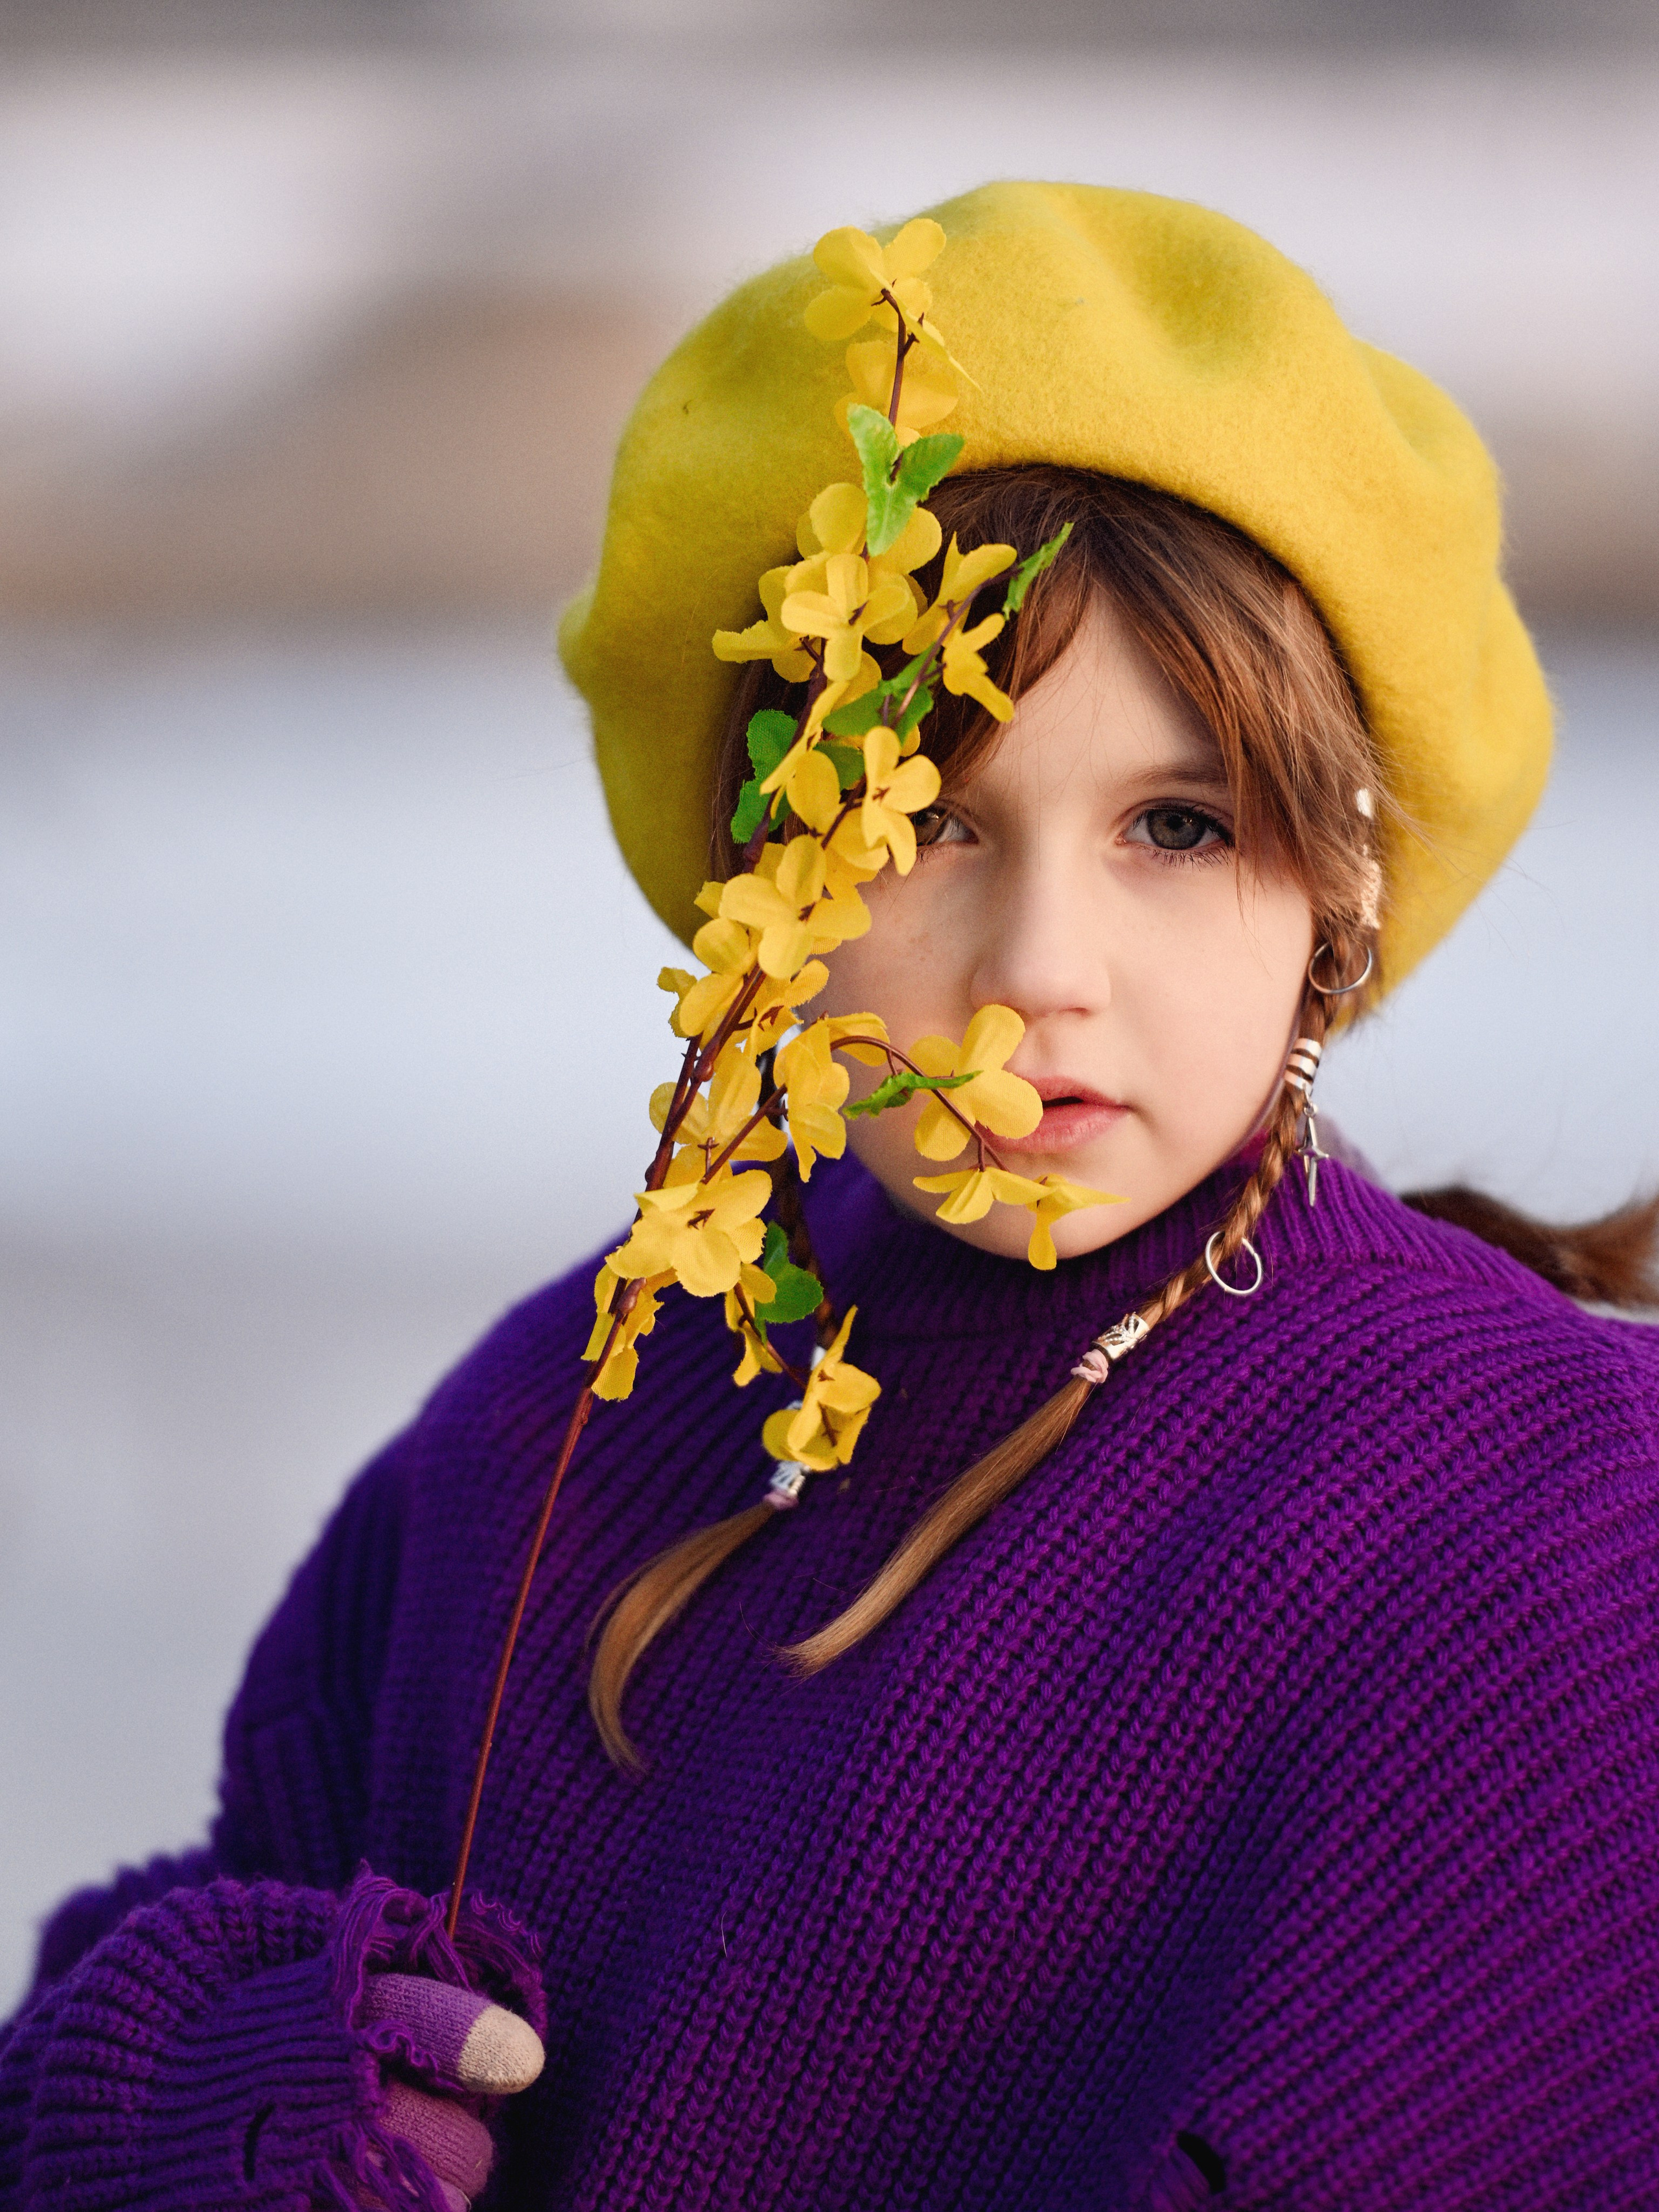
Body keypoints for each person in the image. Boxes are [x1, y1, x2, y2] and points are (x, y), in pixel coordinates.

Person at [3, 180, 1656, 2211]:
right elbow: (145, 1988)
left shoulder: (1559, 1528)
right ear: (761, 886)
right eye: (927, 819)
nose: (1044, 960)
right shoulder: (560, 1418)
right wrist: (236, 2101)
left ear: (1337, 890)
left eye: (1178, 823)